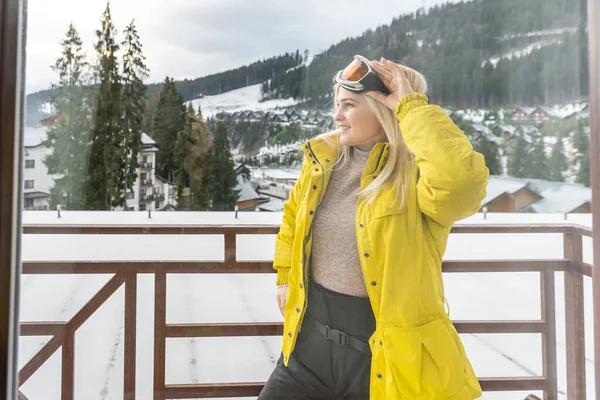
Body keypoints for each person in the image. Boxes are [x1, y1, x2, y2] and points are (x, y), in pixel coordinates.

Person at [258, 55, 488, 400]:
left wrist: (409, 106)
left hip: (384, 360)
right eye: (337, 105)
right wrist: (285, 276)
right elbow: (293, 220)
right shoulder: (323, 162)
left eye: (348, 105)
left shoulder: (415, 177)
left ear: (383, 110)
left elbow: (461, 186)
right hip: (308, 348)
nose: (337, 116)